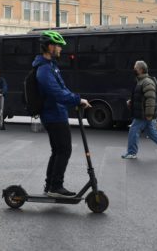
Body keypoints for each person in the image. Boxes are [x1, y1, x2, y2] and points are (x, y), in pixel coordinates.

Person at [33, 30, 91, 198]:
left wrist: (77, 99)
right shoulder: (44, 70)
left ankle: (50, 185)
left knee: (58, 150)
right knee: (64, 150)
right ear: (49, 46)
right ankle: (55, 186)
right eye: (58, 46)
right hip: (53, 115)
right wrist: (76, 100)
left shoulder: (51, 66)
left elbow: (63, 89)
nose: (61, 49)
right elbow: (56, 93)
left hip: (57, 112)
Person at [121, 60, 157, 159]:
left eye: (135, 67)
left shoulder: (147, 81)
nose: (133, 69)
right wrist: (132, 101)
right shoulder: (142, 81)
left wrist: (149, 115)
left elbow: (150, 99)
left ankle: (131, 152)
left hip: (144, 114)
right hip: (145, 113)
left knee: (133, 130)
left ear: (141, 70)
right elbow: (142, 96)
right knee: (152, 133)